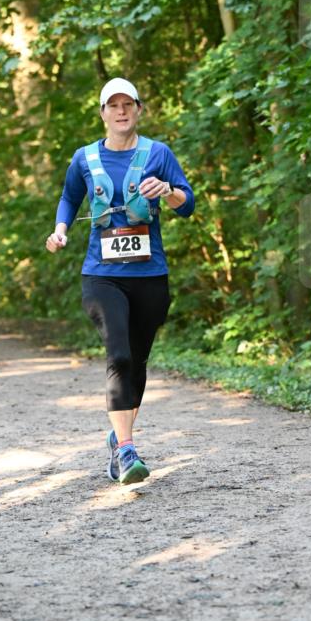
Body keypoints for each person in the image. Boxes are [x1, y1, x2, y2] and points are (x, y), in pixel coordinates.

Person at [46, 78, 195, 485]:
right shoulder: (84, 158)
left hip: (150, 275)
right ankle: (128, 452)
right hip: (102, 275)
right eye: (113, 105)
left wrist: (168, 191)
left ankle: (119, 436)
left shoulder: (158, 154)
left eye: (127, 103)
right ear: (102, 114)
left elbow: (188, 203)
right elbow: (68, 198)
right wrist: (61, 231)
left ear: (138, 109)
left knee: (139, 361)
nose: (121, 111)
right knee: (120, 355)